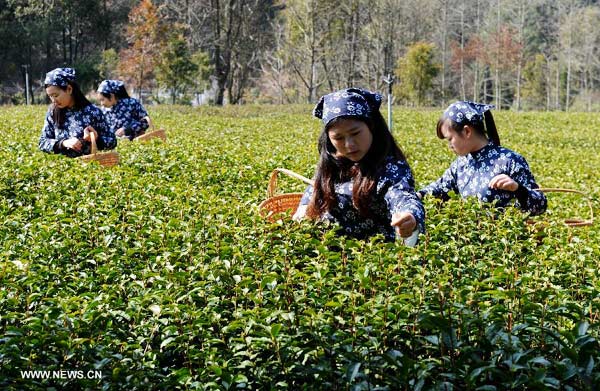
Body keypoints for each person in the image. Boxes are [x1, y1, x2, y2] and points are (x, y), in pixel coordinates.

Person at [293, 88, 425, 245]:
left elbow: (403, 195)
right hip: (329, 253)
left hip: (372, 257)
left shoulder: (390, 167)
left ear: (371, 127)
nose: (349, 145)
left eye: (355, 133)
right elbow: (314, 191)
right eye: (338, 138)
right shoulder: (333, 163)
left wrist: (409, 216)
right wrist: (302, 211)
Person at [418, 100, 547, 215]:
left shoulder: (509, 160)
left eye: (450, 139)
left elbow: (540, 205)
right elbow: (439, 189)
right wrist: (416, 196)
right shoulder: (461, 164)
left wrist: (517, 188)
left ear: (467, 131)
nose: (449, 145)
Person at [39, 68, 116, 158]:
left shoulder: (92, 112)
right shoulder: (53, 113)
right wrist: (63, 143)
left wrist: (96, 139)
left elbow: (112, 142)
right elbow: (43, 142)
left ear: (69, 89)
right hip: (60, 167)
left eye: (56, 95)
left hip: (89, 167)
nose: (53, 100)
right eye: (50, 96)